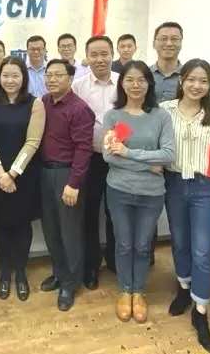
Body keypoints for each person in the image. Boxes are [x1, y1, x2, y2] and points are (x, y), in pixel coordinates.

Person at [161, 59, 210, 353]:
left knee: (203, 250)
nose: (196, 85)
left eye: (203, 81)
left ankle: (200, 311)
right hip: (174, 183)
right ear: (181, 80)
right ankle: (184, 288)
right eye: (191, 79)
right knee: (180, 242)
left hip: (206, 187)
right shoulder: (165, 110)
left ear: (209, 85)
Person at [102, 61, 175, 323]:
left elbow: (168, 155)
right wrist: (149, 164)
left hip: (151, 194)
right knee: (123, 244)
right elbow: (109, 157)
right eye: (130, 79)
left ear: (149, 84)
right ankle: (125, 290)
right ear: (122, 83)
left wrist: (129, 153)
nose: (135, 85)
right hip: (119, 190)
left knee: (143, 246)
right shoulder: (114, 117)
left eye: (141, 80)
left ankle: (139, 291)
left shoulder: (160, 116)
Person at [0, 57, 46, 302]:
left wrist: (13, 173)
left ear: (23, 78)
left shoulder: (35, 103)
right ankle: (5, 271)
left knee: (22, 224)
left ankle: (21, 271)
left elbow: (33, 142)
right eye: (5, 75)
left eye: (15, 75)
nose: (10, 80)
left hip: (24, 175)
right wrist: (0, 173)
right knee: (2, 223)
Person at [38, 59, 94, 311]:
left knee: (70, 232)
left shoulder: (79, 109)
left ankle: (71, 283)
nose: (51, 79)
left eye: (58, 75)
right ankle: (59, 273)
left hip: (67, 175)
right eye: (48, 75)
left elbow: (84, 149)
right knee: (51, 229)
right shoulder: (43, 103)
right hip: (44, 173)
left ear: (70, 79)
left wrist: (74, 183)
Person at [72, 35, 120, 288]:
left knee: (115, 212)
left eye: (104, 54)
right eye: (94, 54)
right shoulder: (78, 86)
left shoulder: (124, 82)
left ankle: (114, 259)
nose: (100, 59)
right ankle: (91, 265)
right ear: (87, 57)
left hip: (119, 158)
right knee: (89, 214)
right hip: (89, 159)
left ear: (112, 55)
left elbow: (133, 116)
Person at [151, 22, 183, 104]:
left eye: (174, 39)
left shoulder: (188, 76)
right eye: (163, 39)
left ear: (181, 43)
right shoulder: (144, 74)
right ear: (154, 44)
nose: (169, 43)